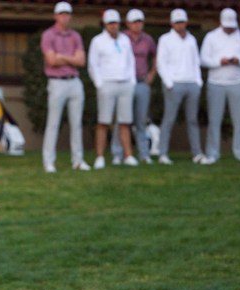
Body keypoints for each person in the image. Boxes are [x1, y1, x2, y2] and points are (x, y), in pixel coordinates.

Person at [40, 1, 89, 173]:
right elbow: (51, 61)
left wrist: (62, 56)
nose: (65, 16)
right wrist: (71, 58)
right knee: (53, 123)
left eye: (67, 13)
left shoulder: (75, 36)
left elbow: (81, 61)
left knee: (77, 123)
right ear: (55, 16)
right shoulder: (48, 35)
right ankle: (48, 162)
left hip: (74, 82)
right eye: (61, 13)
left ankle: (78, 160)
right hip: (56, 82)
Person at [88, 9, 138, 169]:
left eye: (115, 23)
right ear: (105, 24)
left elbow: (131, 61)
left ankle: (128, 155)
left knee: (125, 122)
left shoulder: (125, 40)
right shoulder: (97, 41)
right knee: (103, 122)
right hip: (107, 84)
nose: (113, 26)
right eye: (110, 23)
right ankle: (100, 157)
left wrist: (132, 81)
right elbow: (93, 64)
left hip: (125, 84)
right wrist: (99, 84)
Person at [156, 9, 207, 165]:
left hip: (192, 83)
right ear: (172, 23)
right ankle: (163, 153)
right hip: (174, 84)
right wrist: (169, 82)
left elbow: (196, 61)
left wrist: (198, 81)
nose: (180, 25)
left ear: (186, 22)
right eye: (177, 22)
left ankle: (197, 153)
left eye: (182, 22)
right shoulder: (165, 39)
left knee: (192, 120)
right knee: (169, 119)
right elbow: (161, 62)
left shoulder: (191, 39)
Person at [200, 8, 240, 164]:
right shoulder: (211, 37)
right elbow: (203, 59)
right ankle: (213, 153)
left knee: (239, 120)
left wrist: (238, 61)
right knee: (214, 120)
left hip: (237, 83)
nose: (229, 28)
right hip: (216, 83)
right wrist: (218, 62)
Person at [110, 9, 157, 165]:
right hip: (125, 83)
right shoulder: (122, 38)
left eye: (140, 21)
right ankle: (118, 153)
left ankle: (144, 154)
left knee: (141, 120)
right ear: (128, 24)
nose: (138, 25)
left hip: (142, 82)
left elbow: (156, 55)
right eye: (134, 22)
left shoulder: (148, 39)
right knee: (122, 120)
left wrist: (152, 73)